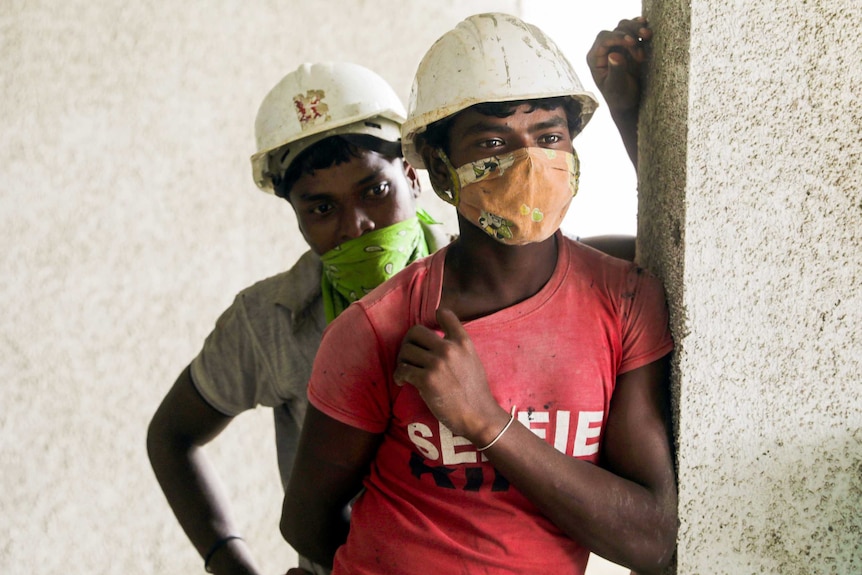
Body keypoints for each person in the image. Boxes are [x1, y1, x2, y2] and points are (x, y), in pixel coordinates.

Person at [146, 57, 642, 575]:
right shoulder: (271, 319)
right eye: (320, 209)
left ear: (413, 176)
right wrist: (228, 561)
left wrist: (633, 124)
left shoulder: (497, 271)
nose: (355, 226)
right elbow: (173, 437)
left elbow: (656, 260)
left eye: (375, 192)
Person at [281, 13, 677, 575]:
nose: (529, 161)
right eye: (492, 141)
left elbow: (652, 541)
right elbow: (306, 523)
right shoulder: (380, 327)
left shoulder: (626, 301)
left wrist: (486, 423)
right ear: (440, 171)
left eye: (549, 136)